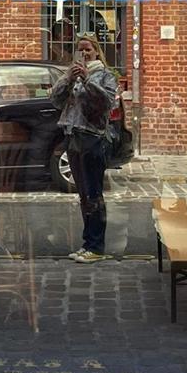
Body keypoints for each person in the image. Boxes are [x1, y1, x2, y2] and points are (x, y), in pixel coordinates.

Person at [50, 34, 119, 262]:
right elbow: (56, 100)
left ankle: (96, 247)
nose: (84, 54)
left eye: (88, 49)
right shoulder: (72, 76)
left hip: (93, 138)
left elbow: (106, 103)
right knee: (83, 195)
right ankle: (88, 243)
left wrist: (88, 79)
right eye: (80, 50)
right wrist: (67, 79)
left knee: (93, 193)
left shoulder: (105, 75)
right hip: (73, 137)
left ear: (97, 51)